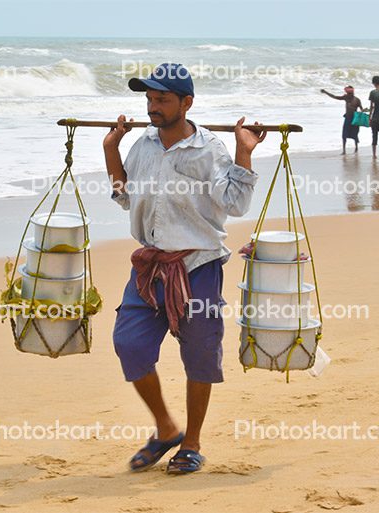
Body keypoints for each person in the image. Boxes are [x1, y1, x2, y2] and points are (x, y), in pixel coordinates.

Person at [103, 63, 266, 475]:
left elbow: (235, 204)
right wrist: (111, 150)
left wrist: (244, 151)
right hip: (150, 266)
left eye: (162, 99)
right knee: (130, 345)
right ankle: (166, 427)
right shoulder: (143, 145)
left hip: (198, 266)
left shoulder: (208, 150)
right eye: (150, 99)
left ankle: (191, 443)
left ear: (186, 103)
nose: (153, 107)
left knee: (199, 356)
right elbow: (126, 197)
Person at [320, 85, 364, 154]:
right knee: (344, 135)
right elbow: (335, 97)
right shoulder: (345, 97)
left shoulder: (357, 100)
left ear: (352, 93)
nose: (348, 95)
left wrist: (363, 114)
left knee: (355, 134)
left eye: (350, 93)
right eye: (348, 93)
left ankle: (356, 148)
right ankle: (344, 150)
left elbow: (362, 109)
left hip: (354, 119)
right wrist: (326, 92)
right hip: (347, 118)